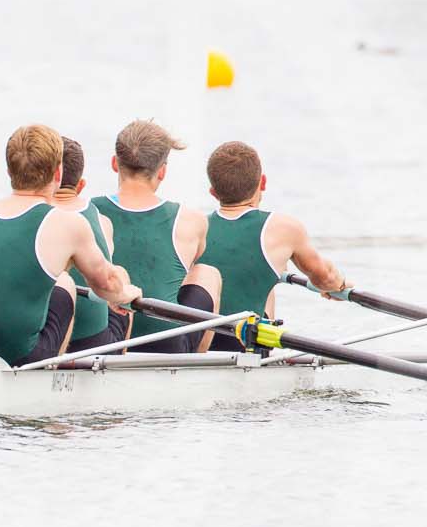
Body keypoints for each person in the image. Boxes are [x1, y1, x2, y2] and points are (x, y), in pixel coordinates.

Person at [0, 125, 140, 366]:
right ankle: (49, 378)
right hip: (16, 356)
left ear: (9, 171)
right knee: (64, 282)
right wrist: (128, 293)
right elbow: (107, 285)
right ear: (58, 174)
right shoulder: (67, 223)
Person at [201, 141, 351, 352]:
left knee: (267, 271)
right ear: (262, 182)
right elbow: (325, 278)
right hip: (244, 347)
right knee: (269, 275)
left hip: (195, 344)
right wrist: (339, 286)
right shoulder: (283, 228)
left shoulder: (194, 226)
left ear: (213, 192)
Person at [88, 119, 222, 353]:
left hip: (106, 335)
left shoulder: (88, 211)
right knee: (206, 273)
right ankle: (196, 366)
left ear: (114, 163)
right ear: (162, 171)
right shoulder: (191, 220)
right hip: (165, 343)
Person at [49, 136, 126, 354]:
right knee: (120, 275)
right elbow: (108, 281)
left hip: (41, 334)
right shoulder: (102, 222)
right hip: (91, 343)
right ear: (81, 185)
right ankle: (120, 358)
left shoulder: (33, 217)